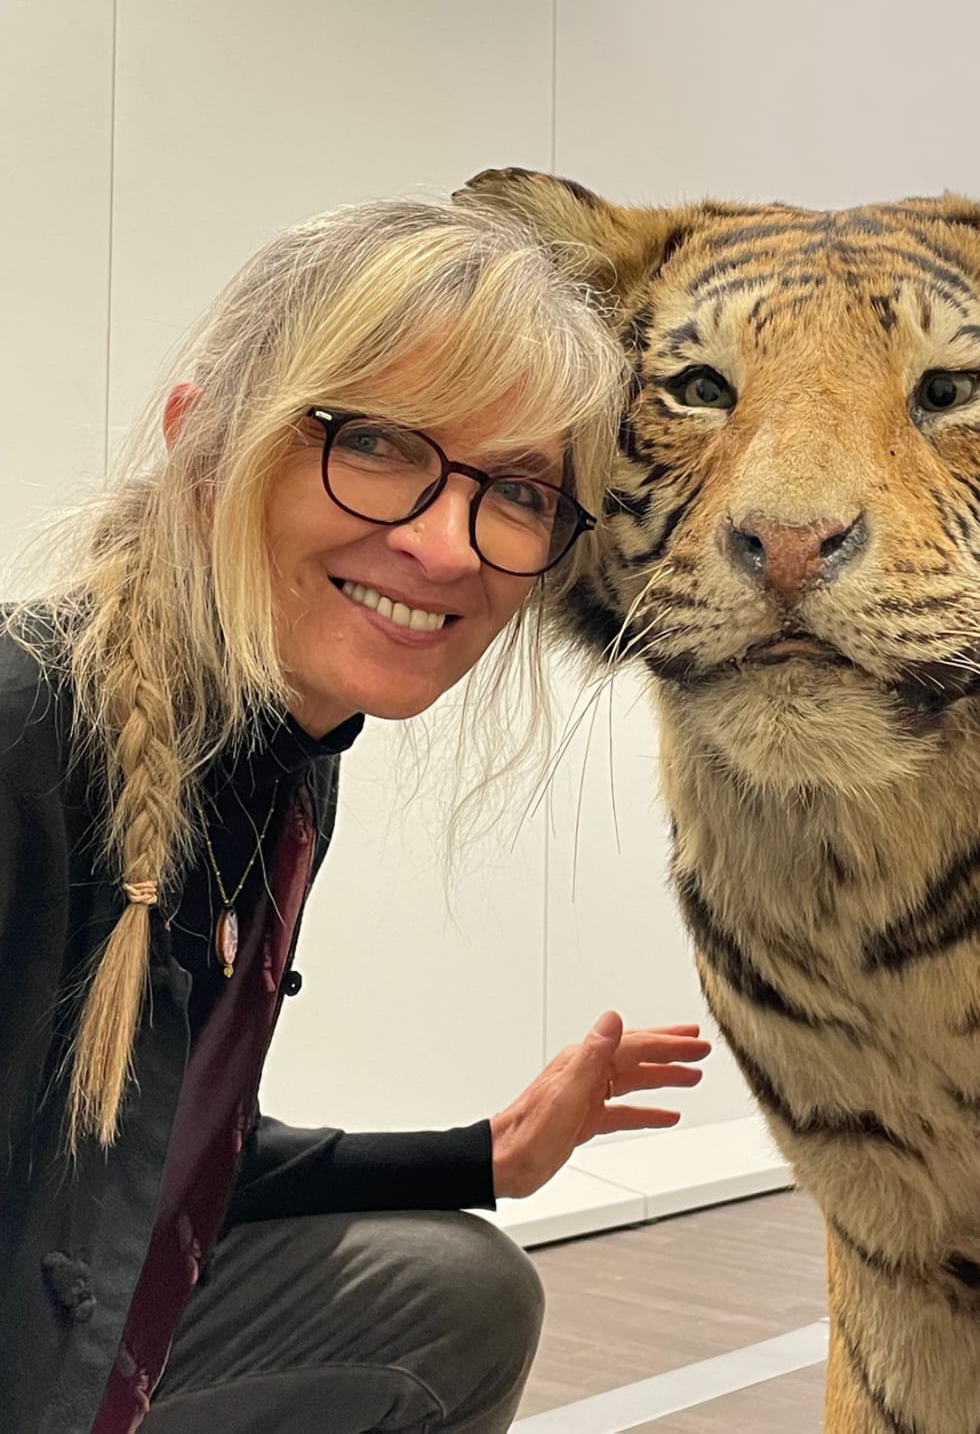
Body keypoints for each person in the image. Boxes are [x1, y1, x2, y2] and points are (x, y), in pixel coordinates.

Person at [0, 200, 711, 1434]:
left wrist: (481, 1157)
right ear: (202, 447)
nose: (447, 545)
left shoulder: (284, 750)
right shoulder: (30, 738)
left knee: (455, 1291)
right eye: (377, 442)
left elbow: (141, 1156)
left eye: (520, 490)